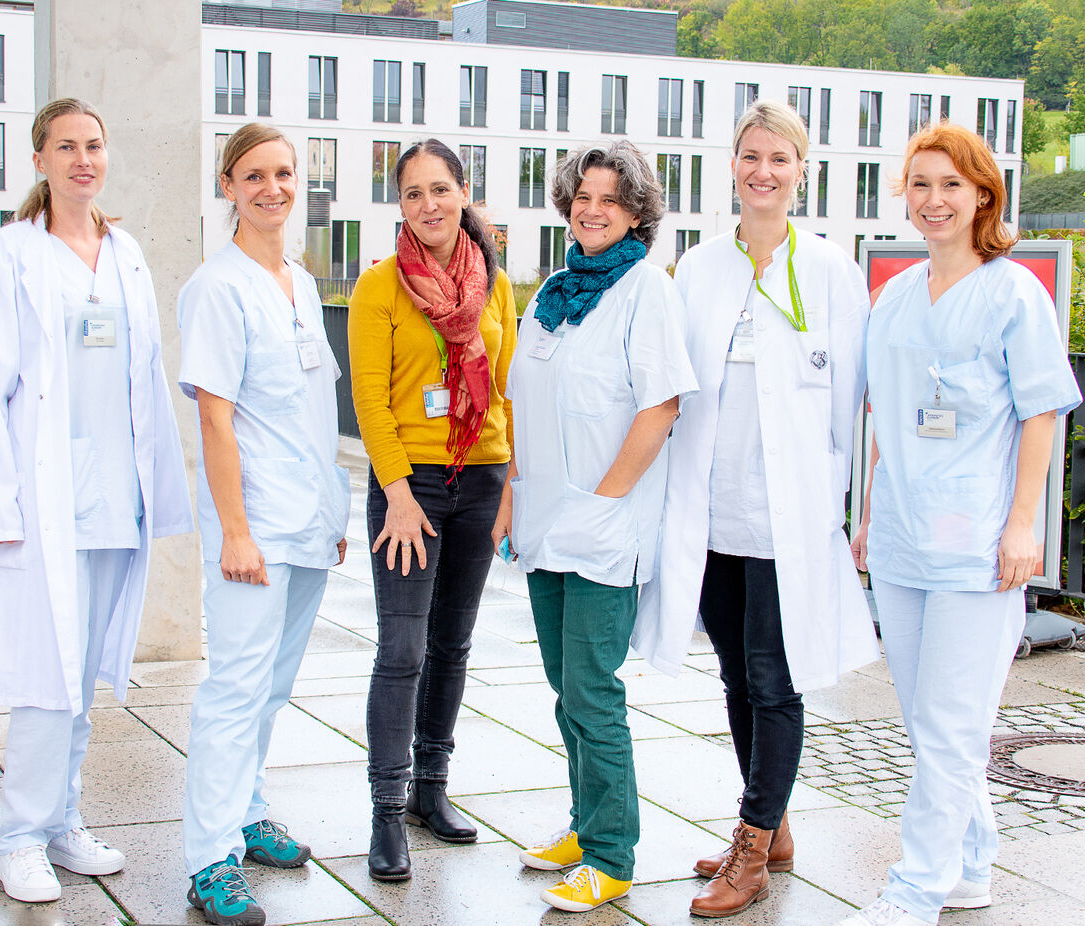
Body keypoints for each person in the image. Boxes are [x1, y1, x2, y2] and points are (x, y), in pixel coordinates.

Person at [0, 98, 193, 904]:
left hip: (117, 493)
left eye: (94, 146)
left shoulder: (127, 252)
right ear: (39, 160)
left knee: (85, 673)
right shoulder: (13, 251)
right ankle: (17, 838)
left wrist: (159, 493)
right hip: (46, 500)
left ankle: (62, 821)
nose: (83, 159)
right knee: (48, 677)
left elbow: (146, 377)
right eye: (66, 146)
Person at [638, 99, 880, 918]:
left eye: (779, 159)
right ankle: (766, 819)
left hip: (790, 517)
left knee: (776, 679)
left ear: (800, 172)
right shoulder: (698, 270)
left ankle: (752, 849)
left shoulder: (830, 273)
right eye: (750, 157)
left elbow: (856, 402)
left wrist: (849, 508)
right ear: (731, 167)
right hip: (712, 514)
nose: (762, 171)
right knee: (736, 674)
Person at [841, 124, 1082, 926]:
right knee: (928, 722)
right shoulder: (895, 296)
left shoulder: (1014, 292)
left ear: (982, 193)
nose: (932, 200)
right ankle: (970, 865)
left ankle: (911, 894)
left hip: (979, 545)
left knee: (948, 727)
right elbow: (886, 419)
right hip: (905, 540)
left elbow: (1040, 414)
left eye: (949, 184)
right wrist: (871, 513)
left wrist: (1023, 526)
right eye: (918, 184)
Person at [496, 141, 697, 913]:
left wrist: (604, 502)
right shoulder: (552, 289)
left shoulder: (647, 290)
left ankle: (612, 855)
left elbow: (660, 406)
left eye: (609, 198)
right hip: (545, 520)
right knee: (562, 687)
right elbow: (524, 400)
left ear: (637, 212)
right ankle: (583, 827)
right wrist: (514, 493)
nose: (591, 208)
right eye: (582, 195)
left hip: (604, 525)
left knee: (591, 689)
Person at [177, 123, 351, 926]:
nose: (272, 188)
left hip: (306, 519)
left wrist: (331, 509)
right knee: (233, 688)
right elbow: (216, 420)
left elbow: (312, 409)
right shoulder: (217, 288)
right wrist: (234, 531)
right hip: (253, 528)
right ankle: (209, 858)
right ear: (228, 185)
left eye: (283, 174)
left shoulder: (300, 282)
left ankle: (245, 813)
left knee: (272, 687)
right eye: (255, 175)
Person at [347, 138, 516, 882]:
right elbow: (371, 401)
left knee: (452, 646)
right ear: (400, 204)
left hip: (480, 478)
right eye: (413, 193)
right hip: (407, 484)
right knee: (402, 650)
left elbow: (506, 390)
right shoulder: (378, 287)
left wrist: (511, 483)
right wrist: (396, 496)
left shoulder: (496, 284)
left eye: (440, 189)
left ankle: (429, 794)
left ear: (464, 192)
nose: (428, 205)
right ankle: (386, 814)